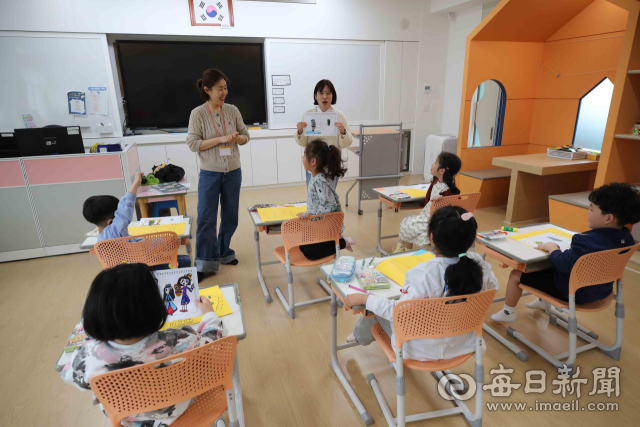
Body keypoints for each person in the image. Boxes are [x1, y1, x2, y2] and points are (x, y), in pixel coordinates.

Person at [61, 263, 224, 427]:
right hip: (177, 409)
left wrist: (91, 340)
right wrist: (209, 315)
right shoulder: (180, 340)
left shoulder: (87, 356)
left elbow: (70, 377)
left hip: (127, 418)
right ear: (156, 307)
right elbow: (214, 347)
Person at [344, 206, 497, 360]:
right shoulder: (479, 265)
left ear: (431, 236)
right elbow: (491, 290)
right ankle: (358, 335)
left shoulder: (424, 273)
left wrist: (365, 299)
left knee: (376, 310)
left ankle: (358, 337)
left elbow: (398, 313)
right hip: (463, 342)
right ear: (471, 237)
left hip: (419, 349)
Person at [491, 183, 640, 322]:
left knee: (517, 274)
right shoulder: (627, 239)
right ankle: (543, 302)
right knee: (548, 267)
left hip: (573, 293)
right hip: (601, 291)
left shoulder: (584, 241)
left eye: (591, 209)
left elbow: (563, 264)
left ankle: (507, 312)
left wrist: (553, 248)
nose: (587, 213)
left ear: (608, 218)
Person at [187, 69, 250, 281]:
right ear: (207, 90)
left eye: (225, 88)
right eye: (220, 89)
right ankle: (204, 262)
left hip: (233, 172)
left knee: (230, 216)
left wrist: (236, 139)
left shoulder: (232, 110)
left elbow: (246, 135)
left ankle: (223, 251)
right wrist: (220, 139)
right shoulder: (198, 113)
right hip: (210, 173)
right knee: (206, 218)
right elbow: (193, 143)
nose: (224, 92)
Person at [82, 171, 190, 269]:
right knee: (185, 260)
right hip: (144, 269)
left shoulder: (101, 241)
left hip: (125, 275)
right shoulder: (114, 230)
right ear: (110, 222)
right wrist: (136, 183)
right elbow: (145, 245)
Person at [297, 140, 355, 260]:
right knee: (302, 246)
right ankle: (337, 240)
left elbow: (329, 207)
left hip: (326, 227)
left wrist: (310, 215)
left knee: (309, 253)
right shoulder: (317, 177)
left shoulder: (320, 181)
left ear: (313, 161)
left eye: (304, 154)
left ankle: (342, 242)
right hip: (319, 226)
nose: (302, 158)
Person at [394, 152, 462, 253]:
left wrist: (442, 199)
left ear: (442, 170)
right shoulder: (436, 181)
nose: (432, 164)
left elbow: (453, 206)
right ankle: (402, 250)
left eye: (435, 162)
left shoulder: (449, 191)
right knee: (406, 222)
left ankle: (404, 252)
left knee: (408, 226)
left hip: (433, 221)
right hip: (425, 216)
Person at [295, 79, 353, 188]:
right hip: (313, 163)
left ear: (333, 96)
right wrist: (299, 131)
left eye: (328, 93)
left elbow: (346, 143)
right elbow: (303, 143)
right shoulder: (308, 115)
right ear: (315, 96)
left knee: (329, 197)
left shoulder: (339, 116)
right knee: (313, 196)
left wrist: (343, 132)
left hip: (331, 162)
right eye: (321, 93)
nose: (324, 97)